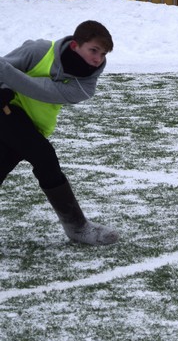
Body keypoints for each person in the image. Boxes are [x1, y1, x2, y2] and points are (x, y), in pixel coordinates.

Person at [0, 20, 118, 246]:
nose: (98, 59)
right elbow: (5, 66)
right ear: (75, 46)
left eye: (103, 54)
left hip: (32, 126)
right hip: (7, 113)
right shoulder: (39, 50)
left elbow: (38, 89)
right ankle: (78, 228)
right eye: (93, 50)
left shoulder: (85, 87)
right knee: (45, 159)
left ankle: (78, 228)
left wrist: (6, 76)